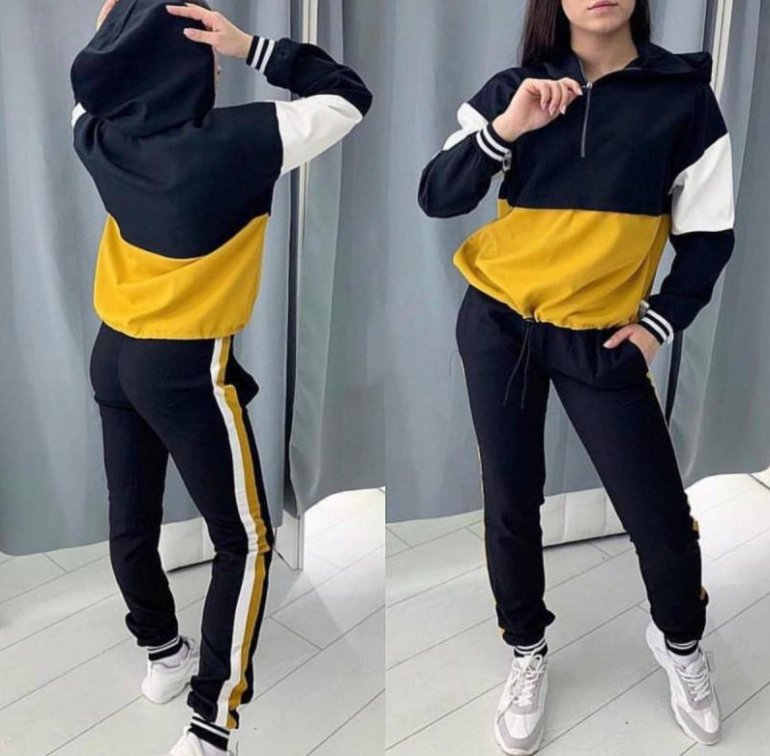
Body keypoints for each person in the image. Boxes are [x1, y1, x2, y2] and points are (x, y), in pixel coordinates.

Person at [418, 0, 734, 753]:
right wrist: (507, 128)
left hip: (602, 339)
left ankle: (681, 642)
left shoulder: (683, 98)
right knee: (510, 499)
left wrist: (656, 327)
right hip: (499, 324)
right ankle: (526, 648)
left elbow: (709, 234)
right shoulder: (515, 89)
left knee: (658, 515)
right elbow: (438, 195)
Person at [71, 1, 372, 754]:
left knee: (131, 518)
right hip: (183, 364)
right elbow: (347, 96)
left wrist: (115, 28)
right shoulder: (242, 141)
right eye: (203, 52)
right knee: (247, 540)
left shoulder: (96, 132)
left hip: (113, 353)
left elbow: (90, 88)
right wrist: (249, 46)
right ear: (190, 65)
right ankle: (212, 722)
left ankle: (162, 654)